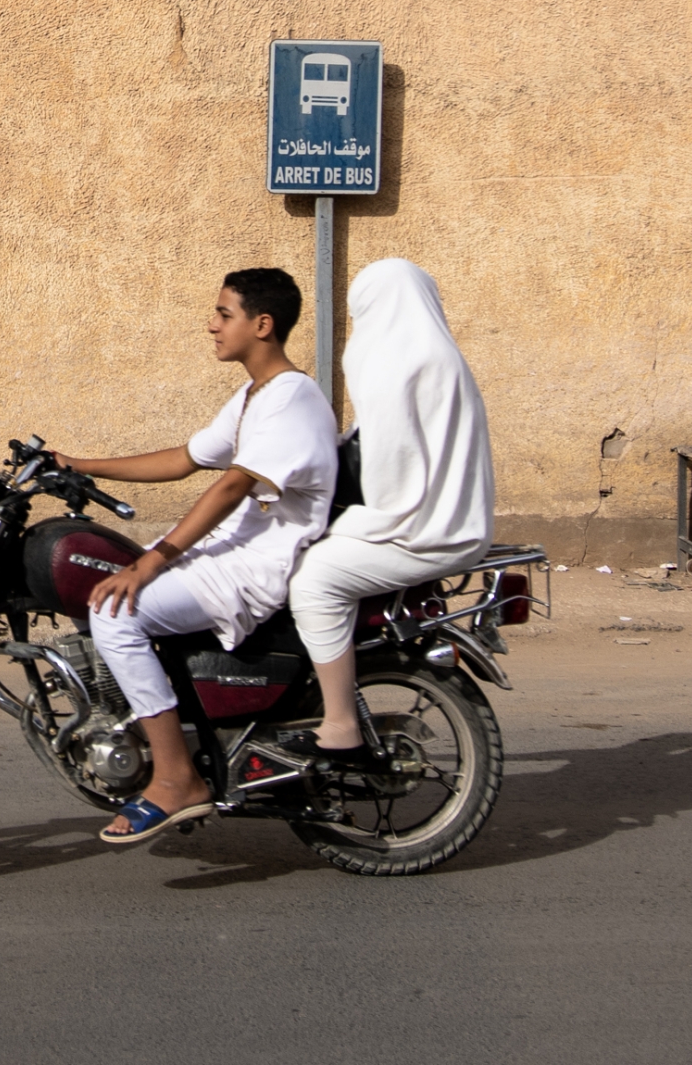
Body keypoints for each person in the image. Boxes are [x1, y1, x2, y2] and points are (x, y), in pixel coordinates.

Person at [57, 267, 339, 845]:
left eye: (224, 314)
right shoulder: (253, 395)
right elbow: (184, 459)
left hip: (252, 570)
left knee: (116, 612)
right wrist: (77, 465)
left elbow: (232, 485)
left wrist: (156, 558)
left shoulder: (292, 398)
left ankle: (175, 779)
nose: (211, 325)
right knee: (112, 594)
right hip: (227, 555)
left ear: (262, 325)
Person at [285, 258, 495, 771]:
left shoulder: (383, 355)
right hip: (457, 520)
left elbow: (392, 456)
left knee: (311, 578)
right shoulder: (443, 353)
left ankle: (338, 725)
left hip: (421, 528)